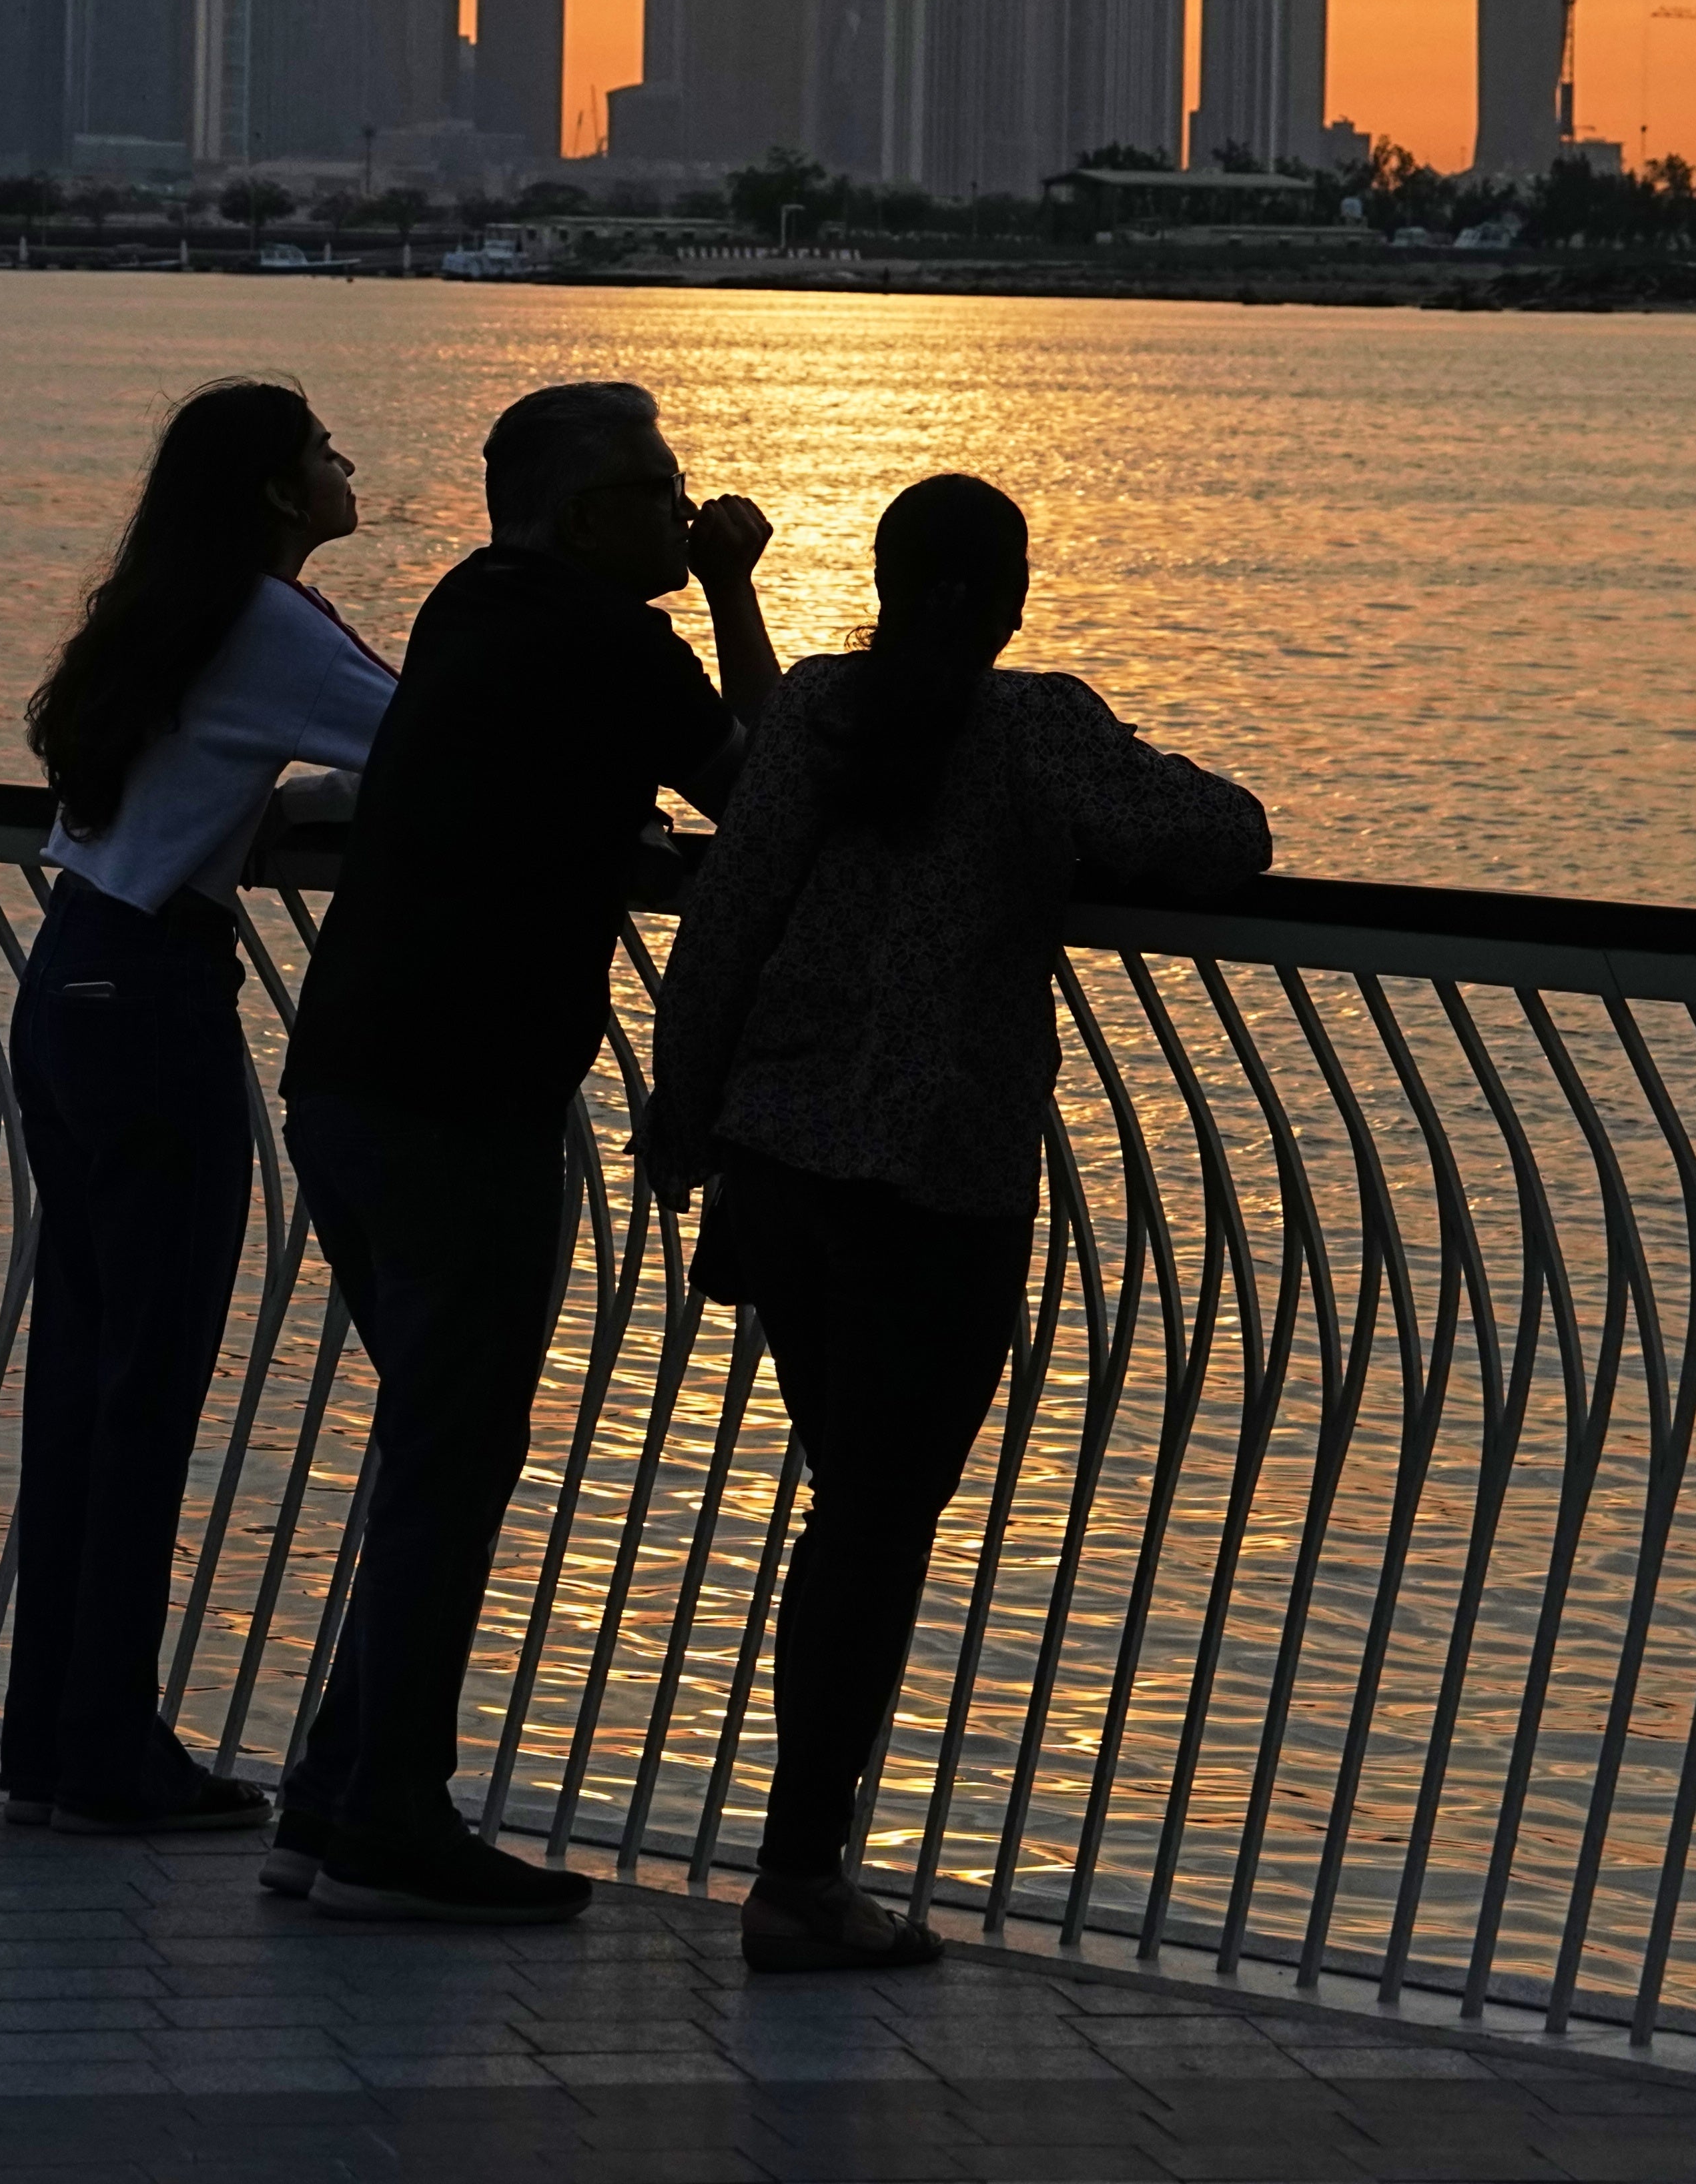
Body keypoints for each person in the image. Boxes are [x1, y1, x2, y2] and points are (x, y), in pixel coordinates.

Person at [642, 472, 1268, 1975]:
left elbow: (725, 925)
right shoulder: (1038, 730)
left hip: (782, 1156)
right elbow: (1230, 834)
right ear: (1012, 596)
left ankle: (803, 1865)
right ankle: (801, 1875)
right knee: (877, 1516)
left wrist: (680, 1127)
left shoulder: (811, 716)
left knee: (849, 1504)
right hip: (945, 1180)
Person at [266, 381, 776, 1923]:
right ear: (580, 511)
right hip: (459, 1098)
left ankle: (335, 1799)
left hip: (355, 1074)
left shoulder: (474, 605)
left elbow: (511, 783)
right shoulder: (606, 636)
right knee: (455, 1450)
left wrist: (599, 827)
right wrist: (743, 583)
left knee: (435, 1438)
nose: (684, 509)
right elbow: (766, 785)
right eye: (657, 485)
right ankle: (390, 1822)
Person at [1, 379, 389, 1835]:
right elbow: (431, 743)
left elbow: (199, 784)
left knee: (87, 1377)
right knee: (150, 1384)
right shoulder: (277, 622)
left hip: (72, 982)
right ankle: (110, 1750)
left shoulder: (170, 609)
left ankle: (54, 1736)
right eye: (325, 452)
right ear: (284, 494)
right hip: (154, 998)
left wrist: (278, 812)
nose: (350, 464)